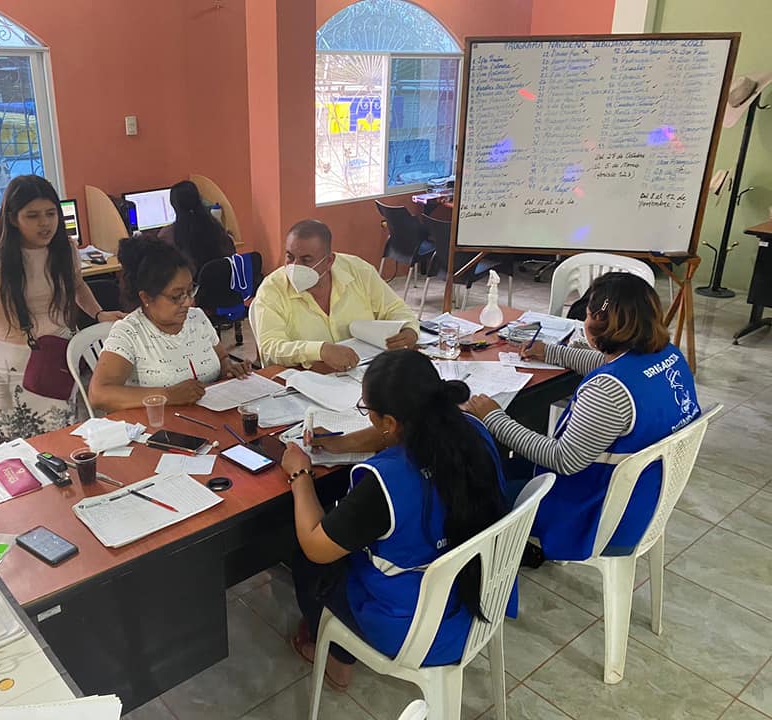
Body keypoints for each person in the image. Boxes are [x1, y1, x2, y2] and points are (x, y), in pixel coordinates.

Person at [282, 350, 508, 689]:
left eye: (367, 411)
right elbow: (405, 428)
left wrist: (299, 474)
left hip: (417, 631)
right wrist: (341, 444)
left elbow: (316, 546)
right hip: (482, 597)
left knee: (306, 556)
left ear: (389, 422)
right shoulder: (473, 429)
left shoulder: (385, 483)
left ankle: (338, 664)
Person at [463, 272, 701, 562]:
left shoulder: (608, 391)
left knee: (470, 488)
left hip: (595, 514)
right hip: (644, 497)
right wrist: (551, 352)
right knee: (496, 465)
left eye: (587, 314)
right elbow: (606, 362)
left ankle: (489, 563)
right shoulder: (668, 355)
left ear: (598, 324)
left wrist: (493, 417)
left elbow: (564, 459)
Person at [0, 175, 125, 440]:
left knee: (64, 435)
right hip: (8, 362)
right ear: (13, 218)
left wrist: (98, 313)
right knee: (18, 444)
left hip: (57, 355)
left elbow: (77, 286)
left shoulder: (64, 248)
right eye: (33, 216)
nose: (45, 223)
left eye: (51, 213)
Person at [88, 238, 253, 412]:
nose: (188, 302)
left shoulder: (196, 318)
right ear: (146, 297)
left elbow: (222, 358)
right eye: (176, 296)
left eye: (190, 291)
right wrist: (167, 395)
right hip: (159, 424)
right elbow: (99, 394)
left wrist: (229, 370)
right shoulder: (129, 332)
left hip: (209, 417)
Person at [252, 219, 420, 370]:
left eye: (306, 260)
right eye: (290, 257)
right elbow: (270, 348)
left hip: (363, 372)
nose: (295, 266)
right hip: (306, 379)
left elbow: (395, 308)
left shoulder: (358, 271)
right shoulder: (272, 289)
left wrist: (410, 329)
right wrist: (320, 350)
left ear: (329, 261)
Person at [156, 180, 235, 274]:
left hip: (191, 283)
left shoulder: (167, 236)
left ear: (174, 205)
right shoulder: (215, 226)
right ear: (199, 199)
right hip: (225, 280)